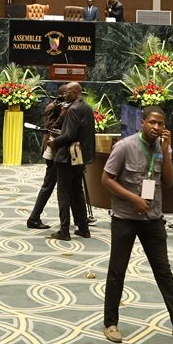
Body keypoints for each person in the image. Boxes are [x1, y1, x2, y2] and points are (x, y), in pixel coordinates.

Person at [100, 107, 173, 344]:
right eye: (152, 122)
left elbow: (170, 180)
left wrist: (166, 152)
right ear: (142, 123)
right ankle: (110, 323)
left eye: (161, 124)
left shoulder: (162, 148)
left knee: (164, 271)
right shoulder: (125, 146)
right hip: (125, 218)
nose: (157, 127)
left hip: (152, 218)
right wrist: (133, 199)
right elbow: (106, 179)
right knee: (117, 271)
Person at [49, 81, 95, 241]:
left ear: (76, 92)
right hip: (79, 157)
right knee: (77, 192)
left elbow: (69, 135)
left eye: (67, 92)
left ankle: (64, 230)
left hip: (67, 158)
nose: (64, 94)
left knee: (64, 194)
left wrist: (54, 142)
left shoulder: (74, 109)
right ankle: (83, 228)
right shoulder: (87, 108)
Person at [26, 92, 66, 230]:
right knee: (48, 185)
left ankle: (81, 218)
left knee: (70, 187)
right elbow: (53, 127)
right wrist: (62, 113)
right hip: (54, 152)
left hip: (57, 152)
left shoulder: (57, 107)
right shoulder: (54, 108)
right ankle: (34, 217)